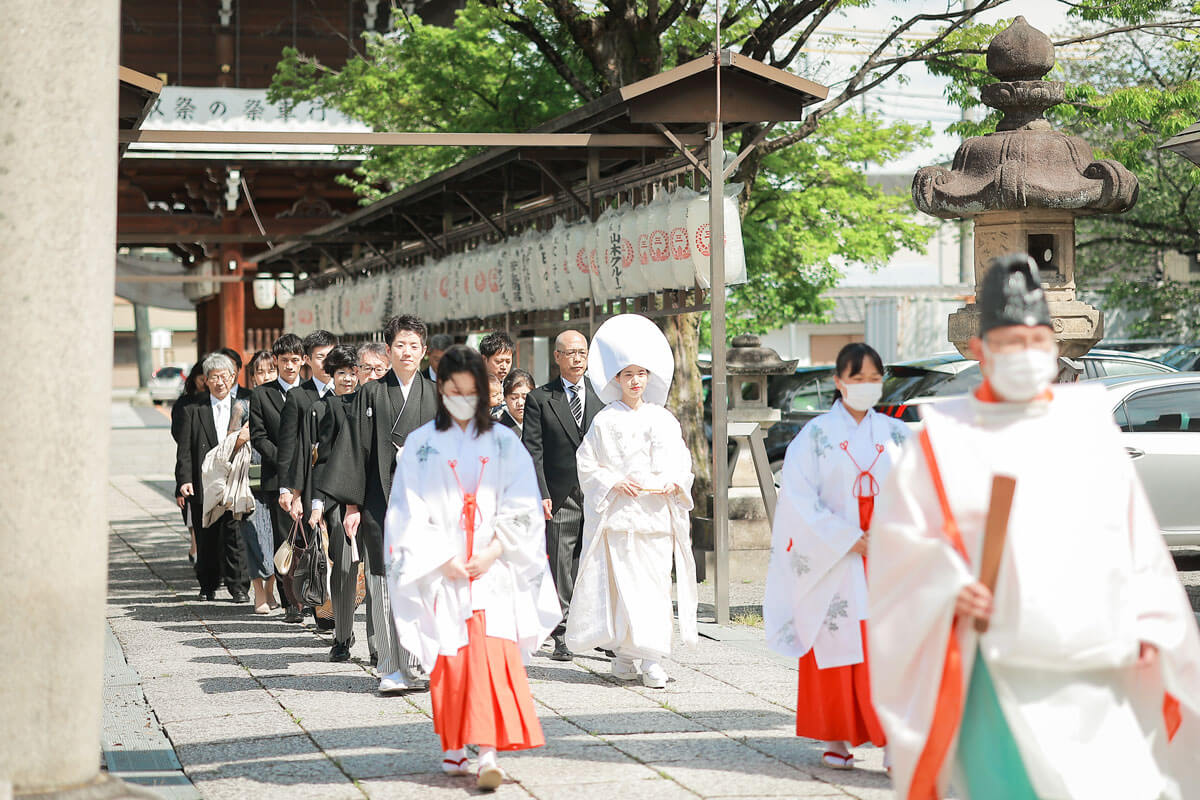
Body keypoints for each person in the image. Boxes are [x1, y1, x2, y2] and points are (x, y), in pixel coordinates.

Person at [869, 254, 1200, 800]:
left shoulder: (1088, 428)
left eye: (1035, 341)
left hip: (1096, 656)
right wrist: (949, 585)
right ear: (980, 350)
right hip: (997, 663)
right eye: (1009, 343)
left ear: (1053, 343)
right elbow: (901, 545)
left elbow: (1134, 540)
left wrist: (1149, 618)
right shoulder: (942, 440)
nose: (1024, 355)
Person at [384, 345, 560, 790]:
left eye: (470, 391)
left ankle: (487, 753)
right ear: (441, 389)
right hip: (442, 570)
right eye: (452, 389)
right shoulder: (423, 444)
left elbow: (521, 503)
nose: (461, 397)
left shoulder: (503, 441)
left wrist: (495, 549)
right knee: (451, 660)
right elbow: (406, 510)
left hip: (493, 568)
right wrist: (441, 557)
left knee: (490, 657)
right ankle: (453, 744)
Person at [762, 342, 908, 770]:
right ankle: (837, 736)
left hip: (889, 554)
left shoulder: (899, 435)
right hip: (834, 558)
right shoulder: (816, 436)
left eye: (873, 379)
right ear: (838, 382)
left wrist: (893, 534)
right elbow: (798, 500)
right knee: (836, 642)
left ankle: (895, 740)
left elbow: (921, 494)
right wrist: (845, 537)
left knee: (890, 648)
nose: (865, 386)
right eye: (856, 378)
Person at [566, 314, 697, 689]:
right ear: (617, 380)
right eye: (628, 374)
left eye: (641, 373)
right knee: (621, 588)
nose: (636, 381)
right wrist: (611, 480)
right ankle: (625, 655)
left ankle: (652, 658)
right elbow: (587, 463)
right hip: (621, 517)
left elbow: (681, 461)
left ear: (649, 378)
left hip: (654, 517)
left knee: (654, 587)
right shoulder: (605, 420)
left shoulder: (664, 419)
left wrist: (674, 482)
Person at [321, 314, 438, 694]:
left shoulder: (435, 395)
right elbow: (355, 449)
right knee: (383, 583)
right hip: (378, 501)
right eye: (400, 345)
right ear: (388, 350)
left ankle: (417, 663)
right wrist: (352, 506)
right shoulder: (371, 394)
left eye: (414, 345)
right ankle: (390, 666)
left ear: (424, 351)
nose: (407, 352)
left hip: (425, 505)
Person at [522, 329, 601, 661]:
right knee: (562, 564)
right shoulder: (541, 398)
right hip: (559, 493)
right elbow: (533, 451)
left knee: (596, 560)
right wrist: (540, 492)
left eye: (582, 352)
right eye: (570, 353)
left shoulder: (602, 396)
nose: (577, 359)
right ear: (557, 357)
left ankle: (599, 628)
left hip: (597, 492)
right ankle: (562, 632)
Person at [295, 344, 361, 659]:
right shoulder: (323, 409)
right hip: (337, 501)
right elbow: (318, 461)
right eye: (341, 373)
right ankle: (342, 636)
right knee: (346, 569)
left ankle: (378, 644)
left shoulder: (370, 402)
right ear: (331, 376)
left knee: (376, 573)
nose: (348, 379)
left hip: (371, 498)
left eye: (352, 372)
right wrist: (317, 503)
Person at [176, 352, 251, 603]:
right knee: (206, 533)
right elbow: (184, 448)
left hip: (234, 477)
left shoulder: (245, 404)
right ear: (205, 380)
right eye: (213, 377)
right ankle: (207, 584)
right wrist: (184, 480)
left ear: (233, 378)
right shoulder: (193, 409)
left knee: (235, 533)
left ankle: (239, 585)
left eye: (224, 376)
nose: (219, 382)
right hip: (204, 479)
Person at [249, 333, 306, 621]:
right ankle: (290, 603)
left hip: (310, 476)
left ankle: (314, 595)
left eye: (295, 360)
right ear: (276, 361)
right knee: (285, 541)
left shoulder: (311, 393)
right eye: (284, 361)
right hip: (276, 478)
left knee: (312, 539)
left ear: (303, 360)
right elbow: (258, 436)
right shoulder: (261, 395)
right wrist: (286, 461)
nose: (290, 366)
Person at [242, 350, 281, 614]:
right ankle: (259, 591)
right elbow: (227, 445)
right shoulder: (243, 404)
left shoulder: (284, 399)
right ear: (253, 377)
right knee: (254, 534)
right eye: (260, 372)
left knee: (277, 536)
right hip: (249, 480)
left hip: (277, 476)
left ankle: (271, 589)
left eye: (270, 370)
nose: (265, 376)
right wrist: (240, 435)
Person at [173, 362, 208, 565]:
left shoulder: (217, 401)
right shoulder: (184, 404)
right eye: (201, 376)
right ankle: (195, 545)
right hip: (191, 461)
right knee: (190, 508)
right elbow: (179, 436)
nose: (204, 381)